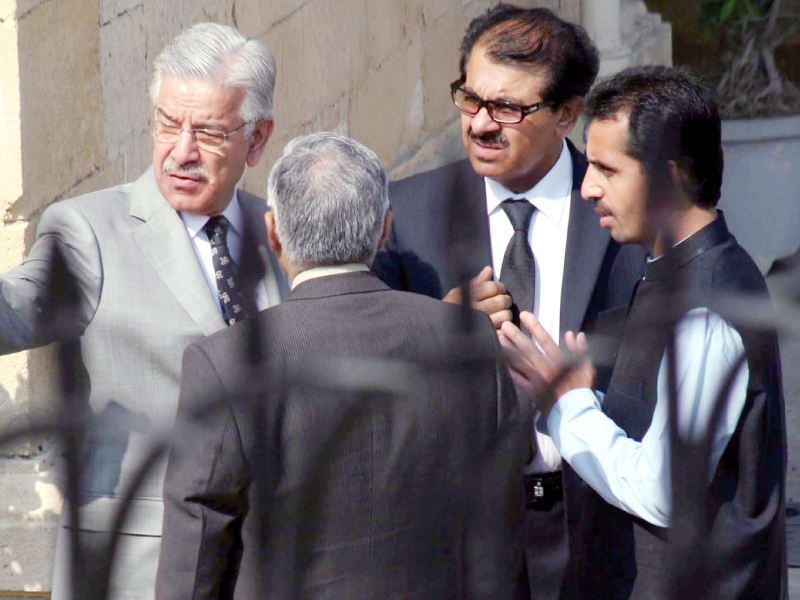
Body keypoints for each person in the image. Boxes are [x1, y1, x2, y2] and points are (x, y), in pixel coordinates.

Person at [155, 132, 525, 599]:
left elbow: (195, 551)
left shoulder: (225, 361)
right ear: (384, 228)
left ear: (272, 232)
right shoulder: (469, 337)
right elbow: (503, 532)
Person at [0, 23, 287, 599]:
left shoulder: (281, 231)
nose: (181, 151)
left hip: (270, 563)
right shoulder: (89, 232)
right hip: (137, 566)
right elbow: (18, 305)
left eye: (207, 132)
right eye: (167, 124)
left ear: (257, 139)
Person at [372, 4, 645, 597]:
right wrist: (435, 328)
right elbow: (360, 381)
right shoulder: (408, 216)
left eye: (508, 108)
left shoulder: (625, 213)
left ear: (568, 114)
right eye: (469, 98)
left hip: (598, 530)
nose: (479, 123)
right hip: (457, 538)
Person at [500, 66, 787, 598]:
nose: (587, 187)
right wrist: (593, 395)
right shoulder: (668, 272)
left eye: (608, 169)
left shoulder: (709, 307)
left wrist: (570, 405)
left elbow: (664, 489)